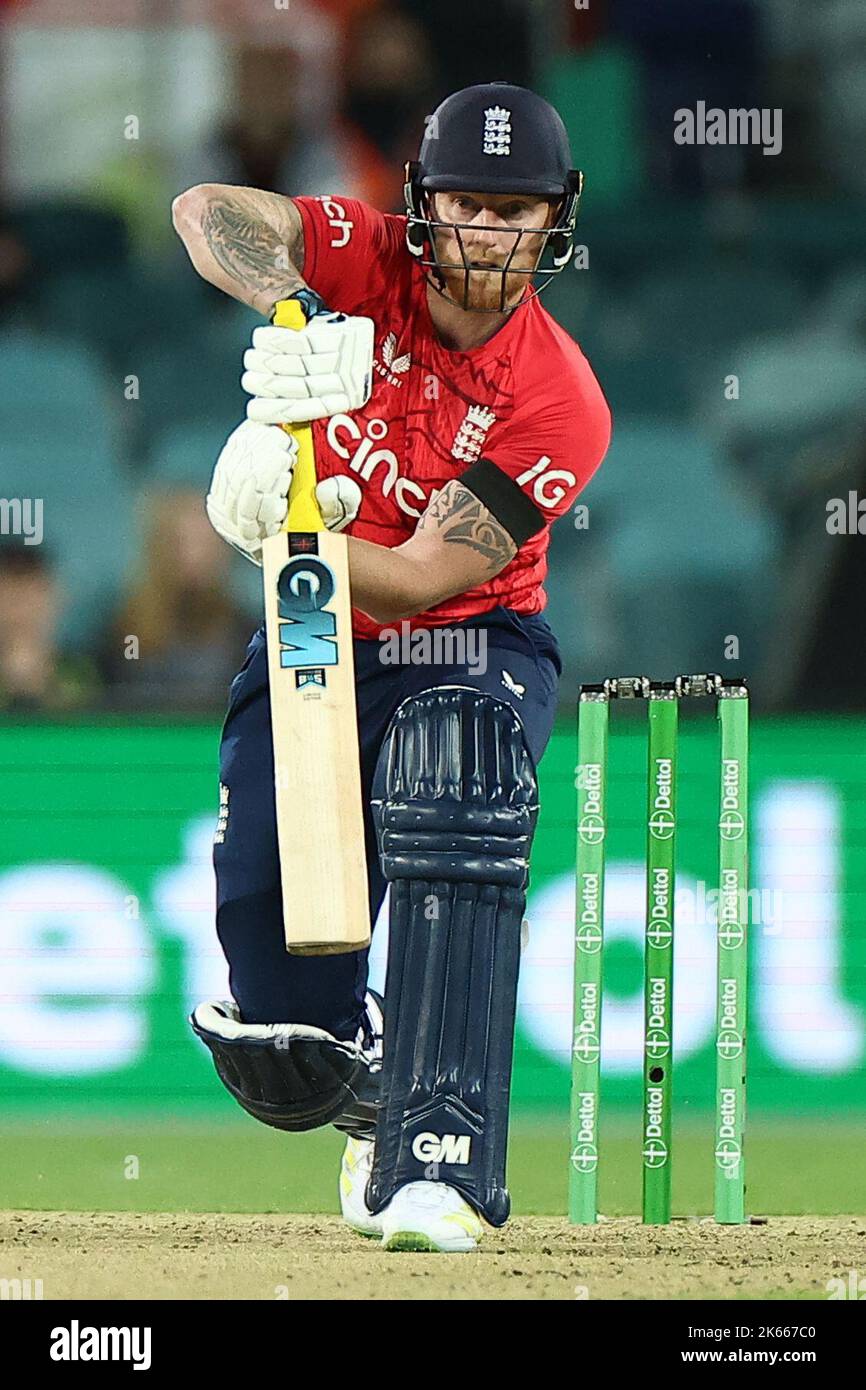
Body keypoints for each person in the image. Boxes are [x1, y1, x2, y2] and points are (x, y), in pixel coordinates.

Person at [172, 82, 611, 1252]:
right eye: (464, 201)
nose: (483, 233)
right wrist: (298, 311)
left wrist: (283, 523)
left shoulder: (559, 400)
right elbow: (207, 207)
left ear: (554, 221)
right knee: (283, 1036)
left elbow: (422, 575)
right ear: (420, 205)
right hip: (314, 627)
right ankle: (371, 1081)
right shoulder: (358, 259)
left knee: (452, 765)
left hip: (469, 637)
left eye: (512, 211)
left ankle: (439, 1155)